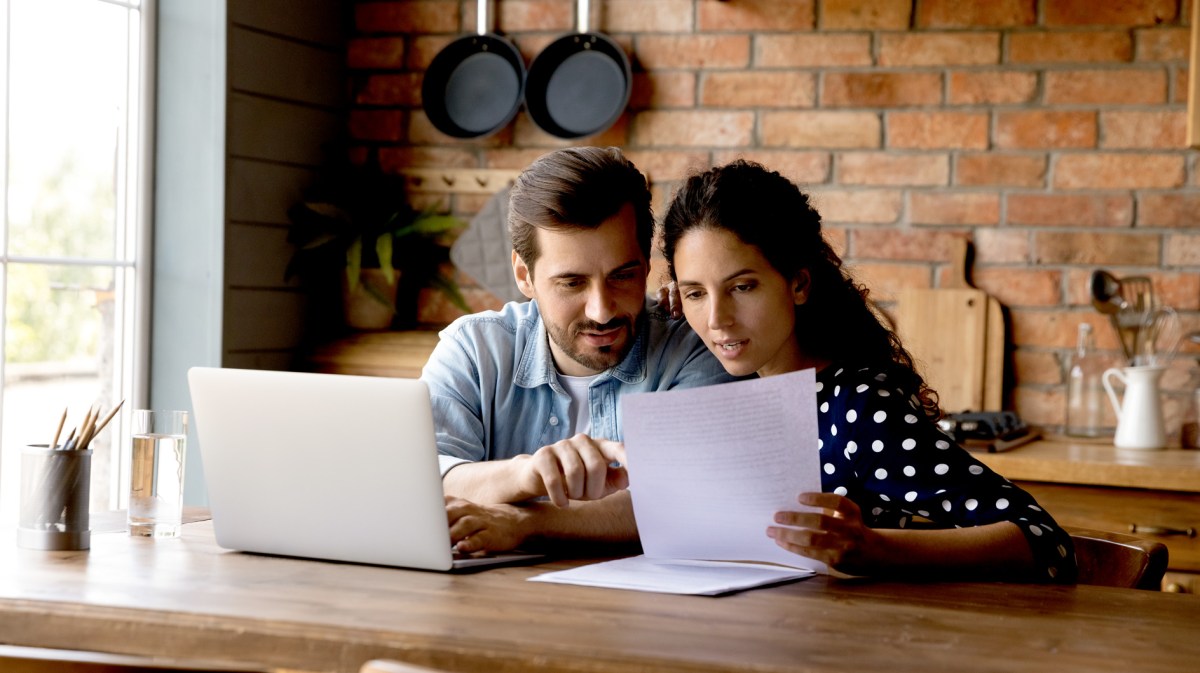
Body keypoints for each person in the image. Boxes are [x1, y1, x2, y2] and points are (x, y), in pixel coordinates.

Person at [661, 159, 1077, 582]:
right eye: (695, 293)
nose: (716, 319)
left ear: (799, 284)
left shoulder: (857, 409)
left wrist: (874, 547)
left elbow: (1046, 541)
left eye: (742, 287)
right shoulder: (717, 390)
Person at [421, 146, 737, 554]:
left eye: (623, 276)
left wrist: (524, 522)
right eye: (572, 283)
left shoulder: (691, 350)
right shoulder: (473, 350)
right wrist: (529, 475)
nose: (602, 310)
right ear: (524, 275)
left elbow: (680, 499)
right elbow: (426, 479)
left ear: (646, 264)